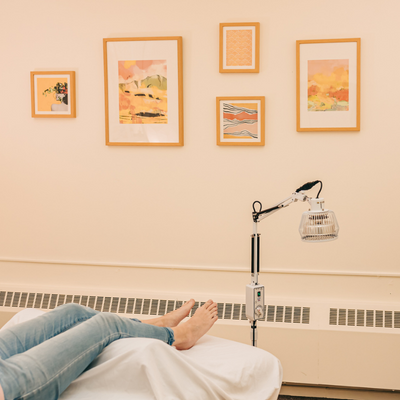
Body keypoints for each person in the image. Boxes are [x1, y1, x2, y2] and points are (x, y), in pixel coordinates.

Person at [0, 299, 218, 400]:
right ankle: (180, 335)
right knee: (105, 325)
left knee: (71, 312)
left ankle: (158, 323)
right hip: (7, 387)